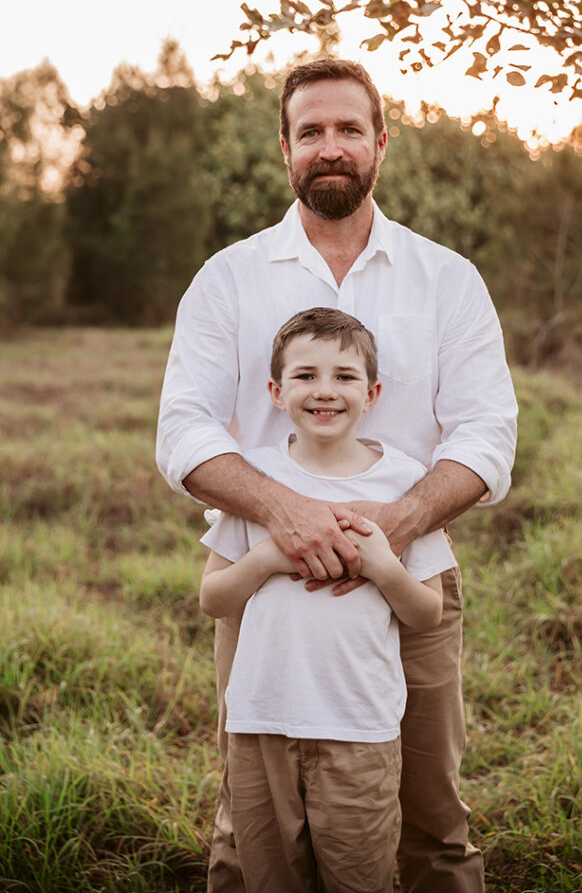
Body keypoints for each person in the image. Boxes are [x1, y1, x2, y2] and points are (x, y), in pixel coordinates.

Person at [156, 58, 518, 893]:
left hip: (409, 574)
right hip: (263, 583)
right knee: (253, 831)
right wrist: (287, 515)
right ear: (283, 147)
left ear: (380, 143)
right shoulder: (228, 278)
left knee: (429, 818)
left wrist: (394, 525)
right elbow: (183, 428)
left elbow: (488, 432)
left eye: (348, 129)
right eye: (310, 131)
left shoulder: (446, 279)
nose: (330, 146)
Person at [199, 307, 455, 893]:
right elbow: (213, 597)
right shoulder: (255, 481)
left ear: (374, 392)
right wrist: (266, 557)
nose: (324, 391)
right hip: (261, 721)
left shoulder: (404, 484)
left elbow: (427, 611)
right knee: (268, 877)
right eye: (305, 375)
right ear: (274, 390)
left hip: (359, 726)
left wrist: (384, 567)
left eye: (344, 376)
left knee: (357, 877)